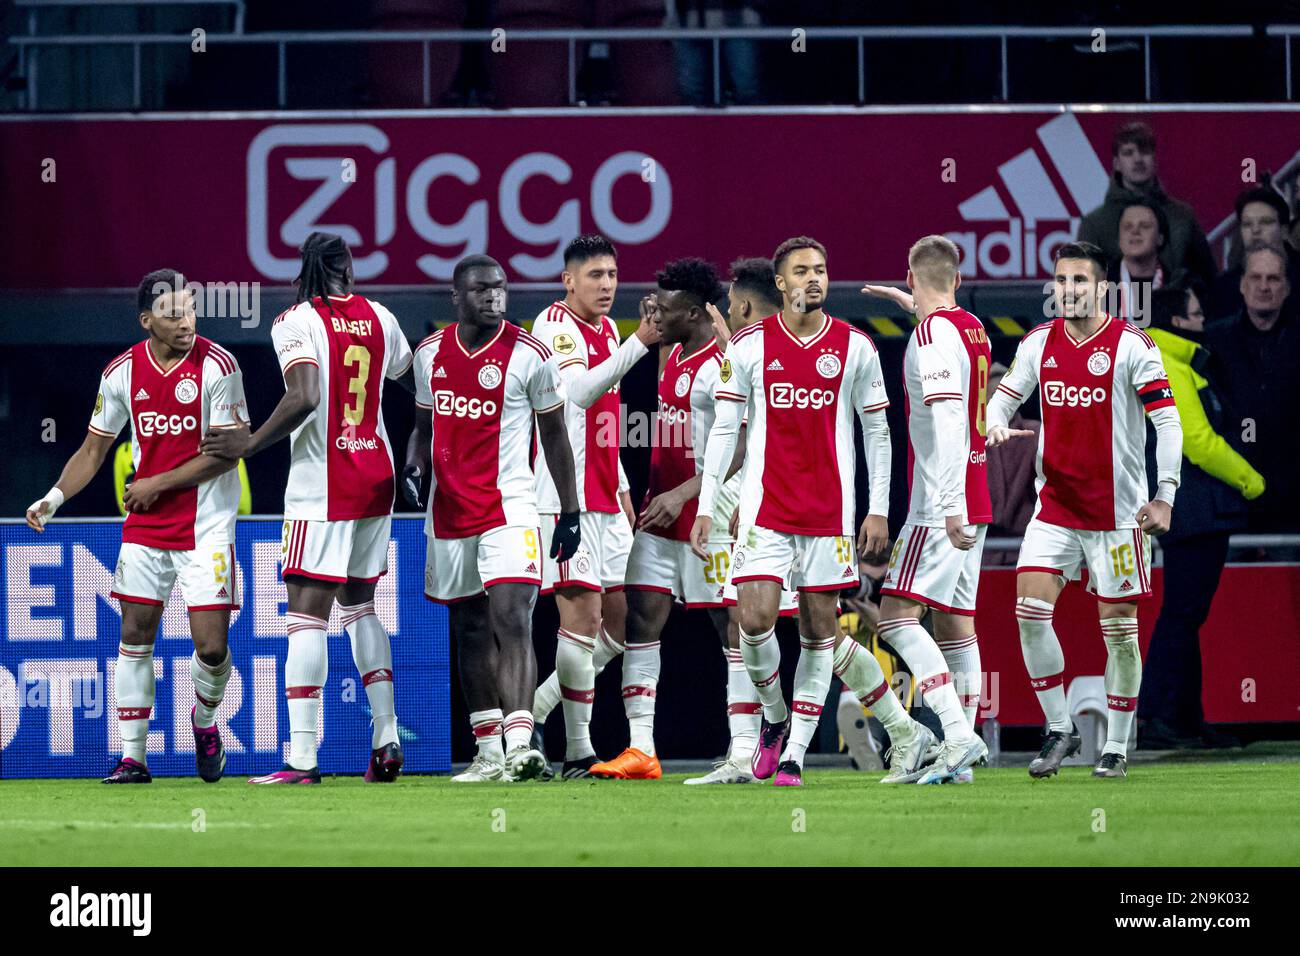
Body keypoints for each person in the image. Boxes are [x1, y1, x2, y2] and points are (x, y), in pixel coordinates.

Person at [691, 236, 930, 787]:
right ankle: (776, 721)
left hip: (828, 517)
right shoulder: (749, 346)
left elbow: (878, 432)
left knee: (822, 634)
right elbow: (728, 430)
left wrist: (877, 511)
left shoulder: (856, 346)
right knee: (752, 623)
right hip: (763, 512)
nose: (813, 279)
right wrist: (707, 505)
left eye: (820, 269)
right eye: (801, 271)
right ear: (781, 283)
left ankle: (795, 752)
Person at [201, 232, 412, 785]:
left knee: (306, 615)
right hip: (377, 475)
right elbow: (403, 373)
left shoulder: (295, 320)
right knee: (362, 607)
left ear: (306, 269)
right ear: (348, 267)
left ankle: (300, 759)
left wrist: (248, 443)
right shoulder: (382, 317)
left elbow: (305, 396)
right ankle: (386, 739)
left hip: (325, 483)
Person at [26, 269, 246, 784]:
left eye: (191, 309)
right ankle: (134, 757)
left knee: (212, 648)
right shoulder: (121, 373)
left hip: (206, 527)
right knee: (134, 636)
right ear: (147, 320)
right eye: (172, 313)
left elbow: (227, 452)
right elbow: (93, 448)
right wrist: (54, 497)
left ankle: (204, 720)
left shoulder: (219, 365)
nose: (185, 320)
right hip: (147, 530)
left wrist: (158, 484)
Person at [987, 240, 1183, 780]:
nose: (1069, 290)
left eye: (1080, 281)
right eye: (1062, 280)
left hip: (1119, 517)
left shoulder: (1131, 346)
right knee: (1029, 612)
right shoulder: (1038, 344)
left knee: (1118, 633)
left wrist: (1165, 494)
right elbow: (1002, 398)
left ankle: (1117, 746)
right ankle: (1060, 729)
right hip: (1055, 509)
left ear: (1103, 289)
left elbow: (1168, 423)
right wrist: (996, 419)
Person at [404, 255, 581, 782]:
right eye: (482, 290)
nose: (494, 298)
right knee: (470, 626)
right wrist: (413, 465)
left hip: (511, 508)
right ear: (456, 297)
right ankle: (487, 751)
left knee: (512, 616)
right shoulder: (429, 354)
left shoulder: (532, 356)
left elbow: (554, 437)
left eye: (501, 289)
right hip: (449, 511)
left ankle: (521, 744)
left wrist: (569, 511)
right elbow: (421, 427)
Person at [587, 258, 730, 780]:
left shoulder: (723, 365)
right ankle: (641, 749)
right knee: (640, 627)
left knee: (734, 632)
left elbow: (737, 448)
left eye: (663, 307)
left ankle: (750, 745)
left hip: (709, 521)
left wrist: (687, 493)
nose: (652, 313)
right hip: (658, 519)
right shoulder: (671, 352)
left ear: (693, 313)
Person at [860, 235, 991, 785]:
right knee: (958, 627)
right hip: (974, 498)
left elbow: (947, 417)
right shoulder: (972, 328)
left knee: (894, 620)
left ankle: (957, 736)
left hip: (941, 504)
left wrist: (949, 505)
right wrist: (912, 304)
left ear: (913, 279)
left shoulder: (933, 333)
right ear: (957, 280)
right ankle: (958, 763)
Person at [527, 234, 659, 778]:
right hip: (565, 501)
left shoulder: (606, 329)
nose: (607, 285)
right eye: (595, 276)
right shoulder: (552, 326)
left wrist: (625, 491)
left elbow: (602, 422)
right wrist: (641, 345)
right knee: (580, 618)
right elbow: (576, 394)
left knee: (624, 624)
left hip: (607, 499)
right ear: (568, 280)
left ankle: (534, 710)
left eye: (612, 275)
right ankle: (578, 750)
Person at [1139, 286, 1265, 750]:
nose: (1201, 319)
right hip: (1194, 510)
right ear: (1175, 320)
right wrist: (1253, 482)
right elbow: (1198, 441)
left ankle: (1183, 718)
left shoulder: (1179, 363)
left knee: (1186, 614)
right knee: (1181, 614)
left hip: (1195, 511)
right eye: (1194, 313)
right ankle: (1155, 716)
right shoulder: (1170, 366)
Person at [1203, 242, 1300, 533]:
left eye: (1273, 279)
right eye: (1256, 278)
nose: (1264, 286)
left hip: (1293, 498)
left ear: (1287, 287)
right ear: (1242, 285)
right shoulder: (1213, 341)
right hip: (1230, 494)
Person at [1077, 121, 1214, 287]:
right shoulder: (1094, 224)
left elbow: (1209, 279)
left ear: (1155, 159)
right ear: (1117, 164)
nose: (1138, 159)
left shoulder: (1183, 216)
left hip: (1175, 309)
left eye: (1144, 151)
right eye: (1128, 153)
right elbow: (1082, 287)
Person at [1208, 184, 1300, 321]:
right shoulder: (1224, 288)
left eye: (1266, 222)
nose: (1255, 230)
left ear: (1284, 231)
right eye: (1247, 224)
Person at [984, 362, 1040, 538]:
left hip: (1026, 537)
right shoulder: (969, 438)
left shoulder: (1033, 434)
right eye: (992, 397)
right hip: (981, 539)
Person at [1107, 199, 1180, 323]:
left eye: (1145, 226)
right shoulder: (1096, 286)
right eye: (1127, 227)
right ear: (1119, 239)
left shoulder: (1178, 288)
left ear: (1160, 238)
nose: (1135, 231)